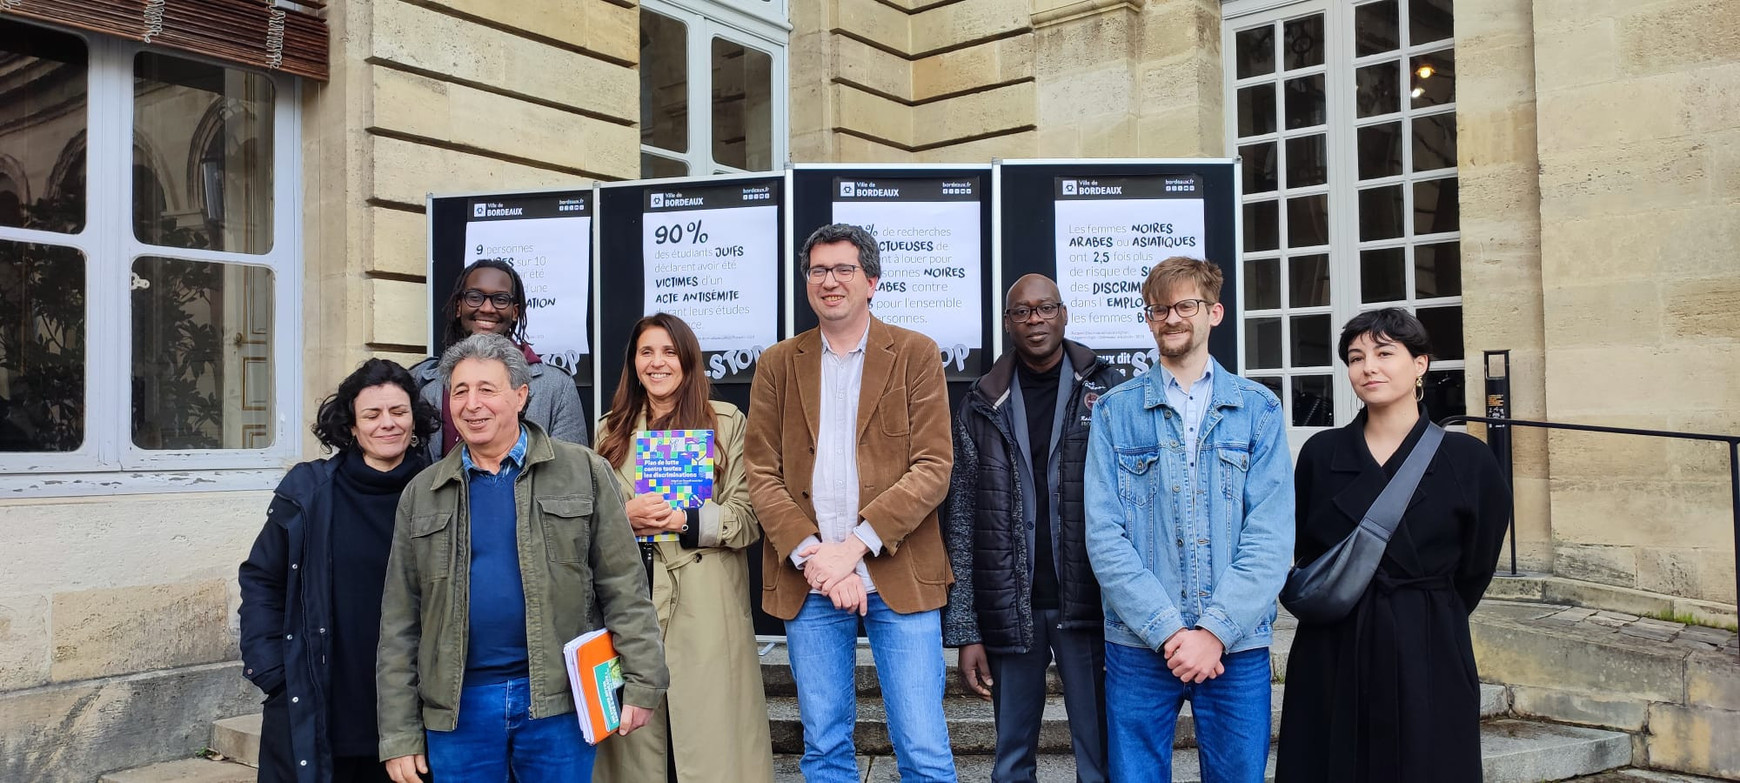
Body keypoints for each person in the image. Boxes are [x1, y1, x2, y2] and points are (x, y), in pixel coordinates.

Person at [376, 334, 667, 783]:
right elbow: (399, 621)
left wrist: (643, 683)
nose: (472, 404)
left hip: (559, 702)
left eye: (487, 389)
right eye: (460, 391)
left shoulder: (584, 470)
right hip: (458, 709)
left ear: (521, 394)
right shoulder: (423, 492)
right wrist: (398, 734)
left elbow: (624, 586)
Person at [746, 223, 956, 783]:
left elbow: (933, 468)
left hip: (899, 571)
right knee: (824, 747)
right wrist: (818, 555)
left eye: (843, 270)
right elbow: (761, 474)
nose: (829, 281)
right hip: (808, 576)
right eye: (818, 270)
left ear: (872, 281)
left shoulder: (915, 354)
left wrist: (854, 548)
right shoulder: (776, 363)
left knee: (924, 747)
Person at [1275, 308, 1510, 783]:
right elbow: (1296, 546)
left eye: (1385, 353)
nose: (1369, 367)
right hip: (1333, 643)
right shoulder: (1321, 454)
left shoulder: (1468, 460)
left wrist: (1426, 606)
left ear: (1420, 363)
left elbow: (1476, 565)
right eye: (1356, 357)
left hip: (1427, 639)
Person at [1083, 255, 1294, 781]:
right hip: (1138, 644)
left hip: (1236, 646)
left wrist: (1214, 632)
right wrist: (1169, 631)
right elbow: (1104, 536)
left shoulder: (1259, 409)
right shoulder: (1114, 411)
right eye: (1159, 309)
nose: (1171, 318)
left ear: (1214, 313)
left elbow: (1270, 538)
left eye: (1185, 306)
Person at [942, 274, 1119, 783]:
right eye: (1022, 311)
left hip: (1089, 603)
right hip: (1009, 607)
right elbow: (962, 516)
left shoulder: (1108, 390)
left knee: (1100, 754)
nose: (1034, 320)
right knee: (1011, 757)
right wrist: (967, 628)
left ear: (1064, 314)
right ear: (1007, 323)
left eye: (1045, 309)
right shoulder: (981, 399)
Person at [591, 313, 773, 783]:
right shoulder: (607, 431)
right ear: (633, 363)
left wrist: (684, 520)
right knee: (636, 744)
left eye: (669, 352)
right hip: (630, 600)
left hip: (705, 602)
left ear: (688, 361)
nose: (657, 363)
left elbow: (750, 517)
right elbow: (586, 525)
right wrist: (622, 519)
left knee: (706, 743)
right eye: (646, 352)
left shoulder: (727, 423)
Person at [239, 358, 439, 783]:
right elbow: (261, 578)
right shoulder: (309, 492)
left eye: (398, 412)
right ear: (351, 426)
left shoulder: (440, 490)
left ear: (414, 419)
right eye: (372, 414)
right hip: (323, 699)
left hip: (413, 707)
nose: (387, 423)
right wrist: (273, 671)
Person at [410, 258, 589, 460]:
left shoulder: (556, 387)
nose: (487, 308)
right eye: (475, 297)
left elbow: (573, 472)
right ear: (459, 307)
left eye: (501, 299)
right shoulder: (421, 382)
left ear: (514, 312)